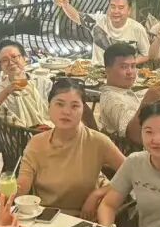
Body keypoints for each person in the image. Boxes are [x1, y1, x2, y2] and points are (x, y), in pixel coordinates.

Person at [17, 79, 124, 219]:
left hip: (84, 219)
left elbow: (132, 173)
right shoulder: (36, 143)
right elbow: (22, 187)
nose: (66, 112)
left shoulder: (97, 141)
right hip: (44, 217)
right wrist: (4, 194)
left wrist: (98, 194)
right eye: (59, 104)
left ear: (83, 109)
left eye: (74, 106)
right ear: (49, 106)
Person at [97, 42, 160, 145]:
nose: (130, 72)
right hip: (136, 151)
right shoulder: (112, 99)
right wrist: (146, 102)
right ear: (107, 71)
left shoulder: (122, 89)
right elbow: (135, 136)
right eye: (123, 67)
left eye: (133, 66)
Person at [56, 0, 149, 65]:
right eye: (112, 7)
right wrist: (65, 5)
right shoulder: (98, 22)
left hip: (125, 74)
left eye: (121, 8)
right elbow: (76, 16)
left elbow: (146, 55)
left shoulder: (137, 29)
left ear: (129, 10)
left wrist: (129, 63)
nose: (116, 11)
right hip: (97, 72)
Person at [0, 40, 52, 129]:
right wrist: (6, 92)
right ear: (1, 67)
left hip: (52, 130)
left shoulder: (42, 82)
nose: (11, 62)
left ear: (24, 59)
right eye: (4, 60)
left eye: (14, 57)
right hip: (23, 134)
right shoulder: (1, 89)